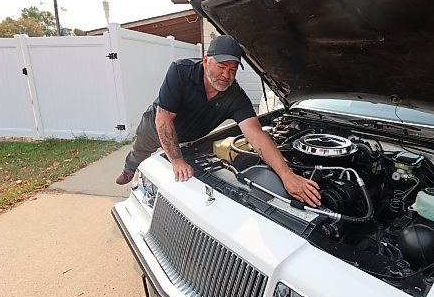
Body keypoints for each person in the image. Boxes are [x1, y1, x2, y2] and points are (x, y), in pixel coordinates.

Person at [115, 35, 321, 207]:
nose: (226, 75)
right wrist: (176, 160)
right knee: (139, 153)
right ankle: (128, 170)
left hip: (187, 138)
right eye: (222, 66)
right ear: (206, 61)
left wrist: (287, 175)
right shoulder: (180, 71)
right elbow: (163, 118)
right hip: (154, 127)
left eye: (233, 69)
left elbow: (256, 136)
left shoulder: (236, 97)